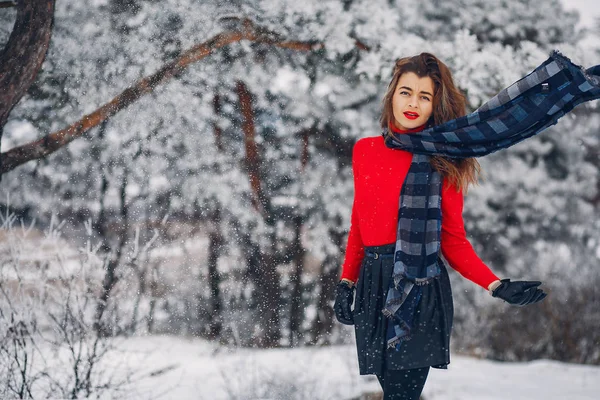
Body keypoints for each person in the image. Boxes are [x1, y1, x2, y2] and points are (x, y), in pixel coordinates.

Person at [333, 53, 549, 400]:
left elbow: (453, 241)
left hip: (418, 286)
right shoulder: (365, 151)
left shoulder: (443, 158)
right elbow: (360, 223)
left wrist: (496, 285)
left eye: (425, 96)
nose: (413, 103)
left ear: (436, 104)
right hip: (374, 284)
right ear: (391, 94)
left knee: (401, 395)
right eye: (406, 92)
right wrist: (347, 282)